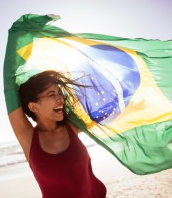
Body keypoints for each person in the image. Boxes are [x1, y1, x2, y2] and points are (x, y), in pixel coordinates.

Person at [8, 70, 107, 198]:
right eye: (52, 94)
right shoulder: (28, 137)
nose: (60, 98)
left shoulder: (72, 126)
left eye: (59, 93)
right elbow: (9, 89)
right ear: (34, 107)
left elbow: (104, 111)